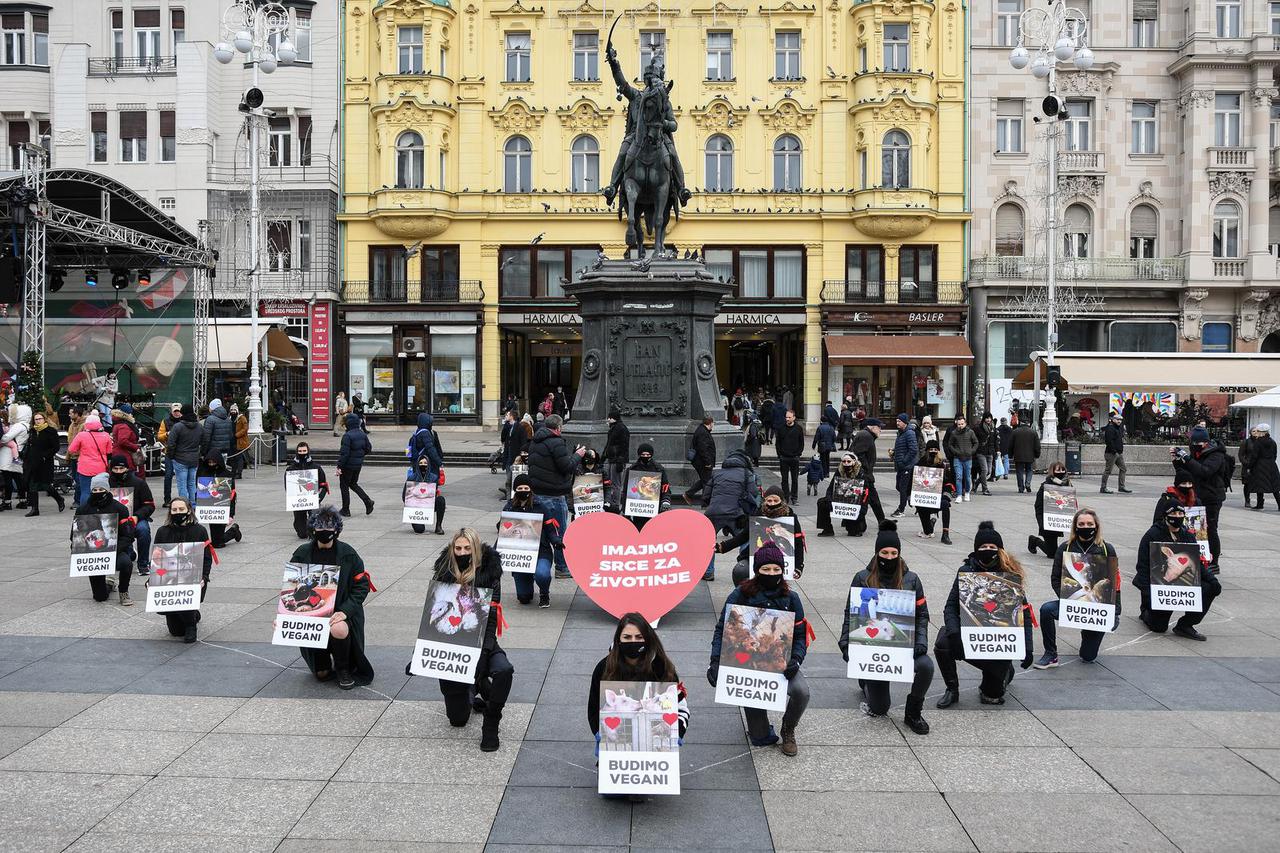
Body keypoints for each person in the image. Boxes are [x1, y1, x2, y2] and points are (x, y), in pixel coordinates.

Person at [708, 541, 811, 756]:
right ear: (757, 571)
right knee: (760, 738)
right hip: (746, 663)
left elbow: (800, 636)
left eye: (776, 569)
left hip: (780, 661)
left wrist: (796, 660)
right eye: (766, 569)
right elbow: (722, 630)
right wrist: (716, 662)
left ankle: (788, 728)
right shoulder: (740, 594)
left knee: (801, 692)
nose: (771, 573)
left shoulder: (792, 599)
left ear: (782, 571)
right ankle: (761, 728)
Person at [420, 528, 512, 751]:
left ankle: (491, 723)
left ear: (476, 550)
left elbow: (490, 621)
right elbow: (431, 616)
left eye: (467, 548)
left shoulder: (490, 574)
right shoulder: (442, 573)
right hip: (451, 644)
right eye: (458, 548)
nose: (462, 553)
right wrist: (420, 653)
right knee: (457, 719)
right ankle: (475, 685)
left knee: (504, 670)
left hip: (480, 639)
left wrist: (485, 652)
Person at [838, 521, 932, 735]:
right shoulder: (862, 578)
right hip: (873, 648)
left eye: (893, 553)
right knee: (880, 709)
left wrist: (920, 642)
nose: (889, 557)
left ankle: (913, 712)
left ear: (899, 553)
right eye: (884, 552)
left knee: (926, 666)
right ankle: (866, 680)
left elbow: (922, 614)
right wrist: (846, 643)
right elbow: (850, 613)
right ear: (876, 552)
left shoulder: (912, 579)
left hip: (902, 646)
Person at [935, 522, 1035, 708]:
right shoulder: (965, 572)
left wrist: (1027, 647)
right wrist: (955, 633)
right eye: (983, 547)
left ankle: (1004, 671)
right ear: (975, 549)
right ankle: (952, 689)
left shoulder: (1009, 575)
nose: (987, 550)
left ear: (1000, 550)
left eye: (992, 547)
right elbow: (950, 606)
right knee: (943, 643)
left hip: (999, 641)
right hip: (971, 633)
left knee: (992, 696)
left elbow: (1025, 613)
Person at [589, 613, 690, 782]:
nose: (633, 641)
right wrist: (598, 733)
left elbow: (680, 706)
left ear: (648, 639)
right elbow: (593, 706)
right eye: (627, 637)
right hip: (618, 739)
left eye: (638, 637)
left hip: (654, 740)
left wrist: (677, 732)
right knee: (614, 792)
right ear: (618, 639)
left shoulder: (662, 668)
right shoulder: (604, 667)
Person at [291, 506, 375, 690]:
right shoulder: (302, 553)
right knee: (321, 675)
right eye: (320, 527)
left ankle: (343, 668)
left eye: (329, 527)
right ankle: (322, 663)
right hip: (311, 612)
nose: (325, 532)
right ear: (313, 530)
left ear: (337, 530)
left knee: (338, 628)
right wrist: (285, 616)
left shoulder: (348, 554)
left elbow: (361, 586)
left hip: (340, 611)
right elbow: (290, 586)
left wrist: (345, 612)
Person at [1034, 508, 1120, 668]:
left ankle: (1087, 632)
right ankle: (1051, 654)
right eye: (1081, 524)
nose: (1086, 527)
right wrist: (1070, 601)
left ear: (1096, 526)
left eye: (1089, 524)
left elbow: (1115, 583)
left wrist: (1115, 613)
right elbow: (1055, 579)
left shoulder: (1107, 549)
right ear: (1075, 526)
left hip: (1097, 606)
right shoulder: (1065, 548)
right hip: (1074, 601)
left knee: (1088, 657)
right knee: (1046, 610)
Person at [1134, 502, 1221, 640]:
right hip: (1159, 586)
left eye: (1180, 513)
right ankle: (1146, 611)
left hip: (1182, 585)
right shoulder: (1152, 534)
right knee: (1159, 627)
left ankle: (1186, 625)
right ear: (1166, 516)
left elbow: (1197, 564)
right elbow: (1143, 566)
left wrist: (1212, 579)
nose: (1177, 516)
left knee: (1211, 587)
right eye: (1173, 514)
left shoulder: (1188, 536)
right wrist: (1148, 593)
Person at [527, 414, 583, 580]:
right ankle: (562, 567)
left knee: (540, 533)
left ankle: (533, 565)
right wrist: (578, 455)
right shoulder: (556, 441)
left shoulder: (535, 441)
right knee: (559, 532)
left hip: (538, 494)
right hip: (555, 495)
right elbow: (566, 466)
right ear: (559, 427)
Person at [151, 497, 214, 643]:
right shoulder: (162, 531)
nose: (178, 512)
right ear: (170, 512)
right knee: (176, 631)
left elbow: (206, 558)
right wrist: (151, 580)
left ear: (189, 510)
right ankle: (193, 615)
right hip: (169, 578)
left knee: (186, 617)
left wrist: (204, 577)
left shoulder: (200, 530)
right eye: (174, 510)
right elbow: (157, 560)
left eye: (181, 509)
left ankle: (192, 624)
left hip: (193, 578)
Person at [725, 485, 805, 586]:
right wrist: (723, 547)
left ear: (782, 500)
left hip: (781, 559)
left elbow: (798, 543)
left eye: (776, 501)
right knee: (740, 570)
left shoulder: (791, 517)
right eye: (769, 501)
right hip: (757, 554)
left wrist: (798, 567)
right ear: (765, 501)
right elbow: (743, 537)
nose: (772, 504)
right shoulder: (758, 515)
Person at [1174, 426, 1229, 572]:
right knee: (1195, 530)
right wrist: (1177, 460)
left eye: (1195, 442)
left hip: (1212, 497)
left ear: (1204, 442)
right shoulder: (1196, 452)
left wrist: (1187, 458)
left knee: (1211, 529)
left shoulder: (1216, 454)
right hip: (1197, 496)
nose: (1193, 445)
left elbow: (1205, 471)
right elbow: (1186, 472)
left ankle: (1214, 562)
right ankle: (1199, 557)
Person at [77, 473, 137, 606]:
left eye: (101, 489)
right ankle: (109, 583)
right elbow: (75, 535)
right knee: (99, 597)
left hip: (114, 550)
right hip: (93, 554)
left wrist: (113, 550)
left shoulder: (120, 508)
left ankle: (123, 592)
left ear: (107, 490)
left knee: (126, 563)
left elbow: (128, 535)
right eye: (95, 490)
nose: (98, 492)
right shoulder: (83, 509)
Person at [700, 448, 759, 581]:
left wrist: (712, 504)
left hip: (714, 513)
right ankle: (745, 570)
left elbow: (706, 494)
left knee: (709, 541)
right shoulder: (746, 473)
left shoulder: (717, 473)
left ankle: (709, 572)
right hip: (736, 513)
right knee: (744, 540)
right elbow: (754, 492)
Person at [503, 473, 558, 607]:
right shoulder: (509, 507)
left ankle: (544, 593)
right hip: (520, 555)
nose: (523, 491)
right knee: (524, 598)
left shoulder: (541, 506)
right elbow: (503, 532)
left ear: (531, 489)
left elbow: (551, 528)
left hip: (541, 551)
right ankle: (527, 585)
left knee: (542, 575)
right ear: (515, 490)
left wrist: (556, 540)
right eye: (520, 488)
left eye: (526, 488)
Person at [107, 453, 155, 576]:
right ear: (111, 469)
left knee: (143, 530)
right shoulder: (106, 484)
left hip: (135, 517)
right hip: (113, 519)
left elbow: (149, 505)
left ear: (127, 468)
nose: (118, 471)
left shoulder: (139, 483)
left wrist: (137, 516)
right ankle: (128, 551)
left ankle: (143, 564)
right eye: (115, 469)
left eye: (121, 468)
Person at [816, 453, 871, 537]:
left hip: (855, 504)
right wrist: (829, 498)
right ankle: (827, 529)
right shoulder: (839, 471)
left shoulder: (861, 474)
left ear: (854, 462)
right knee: (822, 502)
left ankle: (859, 524)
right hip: (840, 500)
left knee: (853, 532)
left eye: (848, 461)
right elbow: (831, 488)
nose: (846, 463)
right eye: (844, 461)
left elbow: (866, 494)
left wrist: (862, 509)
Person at [66, 414, 114, 507]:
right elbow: (109, 451)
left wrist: (82, 450)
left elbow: (71, 449)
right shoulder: (106, 435)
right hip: (100, 468)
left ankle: (85, 511)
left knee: (85, 491)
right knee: (102, 490)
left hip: (85, 467)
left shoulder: (81, 435)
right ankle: (101, 508)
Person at [22, 410, 64, 516]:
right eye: (36, 419)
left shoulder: (50, 431)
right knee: (32, 486)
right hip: (32, 462)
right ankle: (35, 509)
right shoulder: (32, 431)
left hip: (45, 463)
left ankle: (59, 499)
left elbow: (56, 447)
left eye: (40, 419)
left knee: (46, 485)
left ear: (44, 419)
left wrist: (45, 456)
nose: (38, 421)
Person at [622, 443, 672, 531]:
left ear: (651, 455)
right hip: (638, 508)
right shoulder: (632, 470)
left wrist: (666, 500)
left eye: (648, 455)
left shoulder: (659, 469)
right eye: (643, 454)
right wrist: (625, 508)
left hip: (654, 506)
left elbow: (665, 487)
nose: (645, 456)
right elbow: (627, 490)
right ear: (639, 455)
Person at [1028, 461, 1072, 559]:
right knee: (1052, 554)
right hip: (1047, 520)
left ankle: (1037, 541)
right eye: (1058, 469)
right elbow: (1038, 505)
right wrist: (1041, 522)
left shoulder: (1067, 484)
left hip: (1058, 520)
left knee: (1053, 551)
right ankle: (1034, 541)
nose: (1061, 471)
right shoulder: (1045, 485)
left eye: (1062, 469)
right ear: (1052, 471)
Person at [198, 453, 243, 547]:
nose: (211, 465)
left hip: (222, 507)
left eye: (213, 462)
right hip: (211, 508)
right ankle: (234, 531)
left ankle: (233, 531)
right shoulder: (204, 473)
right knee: (217, 541)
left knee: (218, 543)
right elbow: (200, 491)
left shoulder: (227, 474)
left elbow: (232, 495)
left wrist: (231, 514)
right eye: (209, 462)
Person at [914, 441, 954, 545]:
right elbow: (913, 480)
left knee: (945, 505)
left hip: (939, 496)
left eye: (935, 450)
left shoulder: (944, 464)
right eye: (930, 450)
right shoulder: (920, 463)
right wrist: (911, 496)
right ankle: (930, 525)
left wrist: (946, 494)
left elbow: (949, 481)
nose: (933, 452)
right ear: (927, 451)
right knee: (928, 532)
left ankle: (945, 534)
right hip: (924, 497)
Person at [287, 442, 330, 539]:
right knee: (302, 534)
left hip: (313, 499)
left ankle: (313, 526)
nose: (302, 453)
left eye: (304, 451)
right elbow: (288, 487)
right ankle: (299, 525)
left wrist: (319, 498)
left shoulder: (316, 467)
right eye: (300, 451)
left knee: (314, 528)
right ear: (297, 452)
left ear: (308, 452)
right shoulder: (290, 469)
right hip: (298, 501)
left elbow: (324, 485)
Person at [850, 418, 887, 526]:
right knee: (868, 499)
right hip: (863, 474)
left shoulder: (866, 435)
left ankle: (882, 520)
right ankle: (880, 521)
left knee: (872, 498)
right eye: (879, 427)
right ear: (872, 427)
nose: (881, 429)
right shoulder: (866, 436)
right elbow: (859, 454)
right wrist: (866, 469)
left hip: (864, 473)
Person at [337, 413, 374, 517]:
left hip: (347, 466)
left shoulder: (347, 436)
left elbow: (344, 454)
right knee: (353, 484)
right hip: (358, 465)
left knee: (344, 486)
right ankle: (368, 501)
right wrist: (359, 456)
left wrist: (339, 466)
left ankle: (345, 509)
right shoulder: (362, 434)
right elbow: (368, 449)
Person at [166, 404, 202, 504]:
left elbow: (171, 443)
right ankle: (193, 503)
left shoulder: (178, 426)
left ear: (183, 413)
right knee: (191, 483)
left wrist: (171, 456)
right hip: (194, 459)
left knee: (182, 484)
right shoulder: (199, 426)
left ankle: (184, 505)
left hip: (180, 459)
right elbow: (203, 441)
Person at [403, 453, 446, 535]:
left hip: (428, 504)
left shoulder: (433, 477)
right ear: (417, 465)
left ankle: (438, 526)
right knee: (419, 530)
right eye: (421, 463)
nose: (423, 465)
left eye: (425, 463)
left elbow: (434, 493)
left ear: (429, 465)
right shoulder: (412, 478)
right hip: (416, 507)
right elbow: (404, 496)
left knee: (441, 500)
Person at [0, 403, 31, 511]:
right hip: (18, 453)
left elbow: (5, 438)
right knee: (18, 478)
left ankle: (7, 502)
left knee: (7, 478)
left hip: (8, 454)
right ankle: (23, 500)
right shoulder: (27, 425)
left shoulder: (18, 426)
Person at [1244, 424, 1280, 509]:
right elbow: (1275, 455)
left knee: (1259, 485)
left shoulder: (1258, 442)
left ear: (1261, 432)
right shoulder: (1272, 442)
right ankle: (1279, 504)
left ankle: (1260, 504)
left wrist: (1249, 466)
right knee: (1275, 486)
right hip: (1271, 465)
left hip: (1259, 466)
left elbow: (1254, 456)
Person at [682, 415, 716, 503]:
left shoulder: (703, 431)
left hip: (701, 461)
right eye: (713, 423)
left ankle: (688, 494)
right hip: (702, 462)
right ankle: (705, 503)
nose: (713, 425)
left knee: (705, 480)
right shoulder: (703, 432)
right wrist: (707, 462)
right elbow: (703, 449)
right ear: (710, 423)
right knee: (707, 482)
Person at [945, 415, 979, 502]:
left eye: (962, 424)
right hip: (957, 458)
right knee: (959, 477)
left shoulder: (970, 432)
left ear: (965, 423)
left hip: (968, 458)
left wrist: (972, 451)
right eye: (959, 424)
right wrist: (955, 452)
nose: (960, 426)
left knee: (967, 477)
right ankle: (959, 495)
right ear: (956, 424)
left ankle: (967, 492)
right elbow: (950, 444)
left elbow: (976, 442)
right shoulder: (954, 433)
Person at [889, 413, 918, 516]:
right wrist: (894, 452)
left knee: (902, 487)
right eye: (897, 421)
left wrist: (904, 461)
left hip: (907, 465)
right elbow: (902, 447)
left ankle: (901, 510)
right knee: (898, 486)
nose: (897, 423)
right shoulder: (901, 432)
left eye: (899, 421)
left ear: (905, 422)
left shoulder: (909, 433)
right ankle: (910, 496)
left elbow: (913, 450)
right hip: (901, 465)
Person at [601, 409, 631, 502]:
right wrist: (603, 458)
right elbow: (609, 445)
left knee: (615, 484)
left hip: (616, 460)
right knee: (612, 483)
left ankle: (615, 504)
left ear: (614, 419)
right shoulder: (614, 428)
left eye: (609, 418)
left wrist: (620, 461)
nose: (607, 420)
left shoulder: (620, 428)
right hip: (613, 459)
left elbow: (624, 446)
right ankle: (613, 502)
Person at [775, 409, 804, 504]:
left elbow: (801, 443)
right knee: (784, 479)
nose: (787, 419)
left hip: (794, 457)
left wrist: (798, 454)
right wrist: (780, 455)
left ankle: (794, 498)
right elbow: (777, 443)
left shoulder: (798, 429)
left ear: (794, 418)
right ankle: (785, 498)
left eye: (789, 417)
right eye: (786, 417)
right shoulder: (781, 428)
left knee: (795, 479)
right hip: (784, 457)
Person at [157, 402, 183, 506]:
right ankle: (167, 500)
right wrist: (167, 434)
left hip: (182, 452)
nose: (177, 413)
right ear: (172, 412)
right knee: (168, 476)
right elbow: (159, 436)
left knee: (182, 477)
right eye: (175, 411)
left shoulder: (185, 421)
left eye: (178, 411)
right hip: (169, 452)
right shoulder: (165, 421)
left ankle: (183, 499)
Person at [1100, 413, 1131, 494]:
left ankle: (1121, 487)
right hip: (1111, 453)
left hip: (1118, 453)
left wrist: (1119, 451)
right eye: (1117, 419)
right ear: (1113, 419)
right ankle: (1103, 488)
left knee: (1123, 468)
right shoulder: (1110, 428)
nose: (1119, 421)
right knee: (1108, 471)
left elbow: (1119, 440)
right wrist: (1114, 451)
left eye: (1120, 420)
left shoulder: (1119, 428)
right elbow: (1109, 441)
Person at [1009, 416, 1041, 494]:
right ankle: (1028, 483)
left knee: (1019, 471)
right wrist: (1037, 454)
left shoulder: (1015, 432)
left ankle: (1021, 487)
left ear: (1020, 422)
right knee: (1029, 470)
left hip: (1018, 455)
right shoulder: (1033, 432)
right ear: (1028, 423)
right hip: (1030, 455)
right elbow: (1037, 445)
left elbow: (1010, 445)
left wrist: (1010, 454)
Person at [109, 404, 143, 478]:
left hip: (121, 454)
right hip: (125, 455)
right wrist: (135, 447)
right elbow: (123, 441)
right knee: (128, 479)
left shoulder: (119, 424)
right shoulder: (124, 425)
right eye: (130, 413)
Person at [200, 398, 234, 466]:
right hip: (225, 450)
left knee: (212, 472)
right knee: (221, 471)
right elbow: (231, 436)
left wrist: (203, 452)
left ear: (212, 408)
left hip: (212, 451)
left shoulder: (210, 419)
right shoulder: (228, 420)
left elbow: (206, 437)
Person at [974, 413, 997, 496]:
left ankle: (976, 482)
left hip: (990, 452)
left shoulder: (993, 428)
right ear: (984, 419)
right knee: (985, 470)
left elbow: (995, 440)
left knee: (989, 472)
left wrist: (997, 450)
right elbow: (974, 440)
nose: (988, 420)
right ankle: (985, 489)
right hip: (981, 452)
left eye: (990, 418)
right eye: (987, 418)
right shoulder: (978, 428)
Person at [812, 415, 837, 479]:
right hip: (829, 446)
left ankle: (823, 473)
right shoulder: (831, 427)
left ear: (821, 421)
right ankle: (827, 473)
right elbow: (834, 437)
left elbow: (816, 437)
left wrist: (814, 445)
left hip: (822, 446)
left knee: (823, 460)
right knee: (827, 459)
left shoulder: (820, 428)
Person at [231, 404, 249, 477]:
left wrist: (236, 435)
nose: (232, 412)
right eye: (231, 410)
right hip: (232, 441)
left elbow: (245, 429)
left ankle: (239, 472)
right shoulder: (230, 418)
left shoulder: (242, 418)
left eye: (234, 410)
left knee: (239, 457)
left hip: (240, 441)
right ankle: (234, 471)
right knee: (233, 457)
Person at [997, 417, 1013, 481]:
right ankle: (1006, 474)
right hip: (1007, 447)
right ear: (1006, 421)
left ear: (1001, 422)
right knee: (1006, 460)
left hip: (999, 447)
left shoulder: (998, 429)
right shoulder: (1010, 429)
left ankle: (998, 473)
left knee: (998, 460)